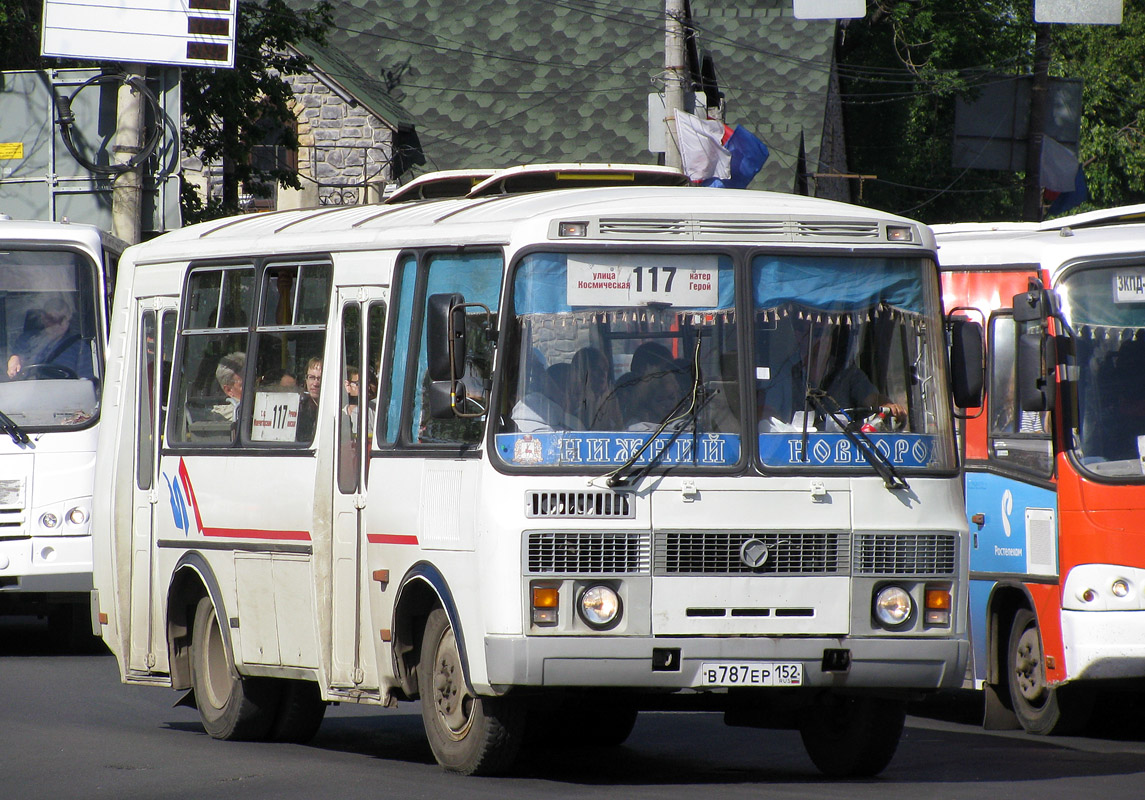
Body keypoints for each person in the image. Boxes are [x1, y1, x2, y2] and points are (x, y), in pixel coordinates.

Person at [6, 296, 93, 379]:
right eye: (52, 319)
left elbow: (85, 380)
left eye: (61, 319)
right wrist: (15, 360)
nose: (57, 324)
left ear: (68, 319)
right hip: (30, 390)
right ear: (43, 318)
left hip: (65, 392)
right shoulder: (26, 340)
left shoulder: (80, 348)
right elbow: (17, 357)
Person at [566, 347, 622, 431]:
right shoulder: (569, 406)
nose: (603, 374)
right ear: (582, 373)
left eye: (605, 370)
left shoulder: (613, 402)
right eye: (596, 369)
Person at [211, 351, 245, 424]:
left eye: (254, 381)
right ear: (229, 390)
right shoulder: (224, 416)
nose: (253, 388)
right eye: (245, 385)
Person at [297, 356, 322, 440]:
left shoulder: (338, 410)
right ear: (306, 379)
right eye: (311, 377)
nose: (315, 383)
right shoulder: (299, 409)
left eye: (320, 378)